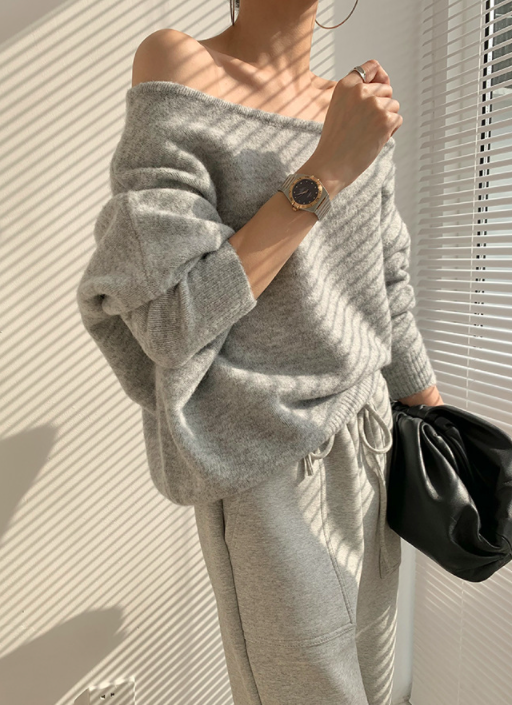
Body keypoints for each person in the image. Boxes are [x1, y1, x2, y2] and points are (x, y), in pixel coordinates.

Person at [76, 0, 444, 702]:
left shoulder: (353, 106)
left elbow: (388, 284)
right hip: (266, 461)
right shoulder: (179, 64)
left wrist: (442, 427)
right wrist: (327, 169)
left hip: (372, 441)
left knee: (375, 682)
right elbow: (172, 318)